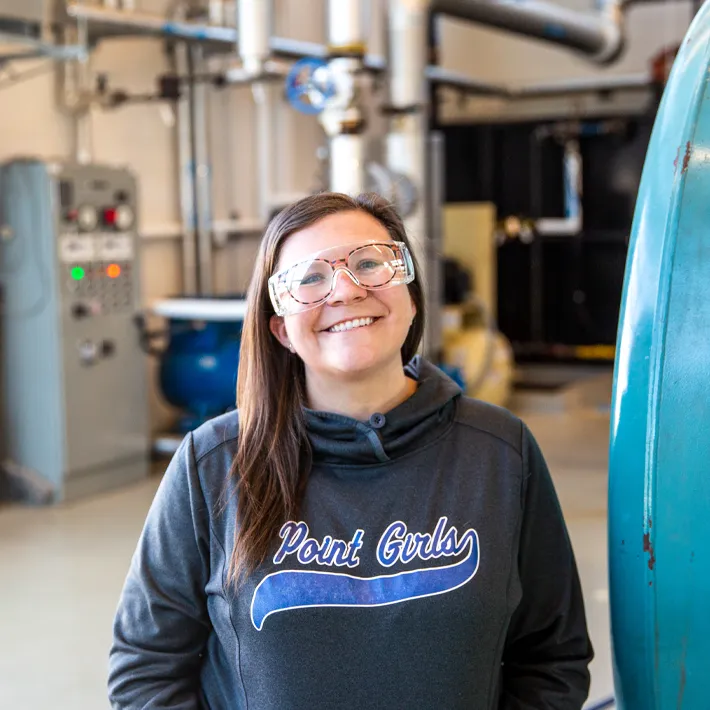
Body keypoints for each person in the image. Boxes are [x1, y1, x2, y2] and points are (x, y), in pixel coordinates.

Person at [108, 192, 593, 709]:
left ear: (410, 298)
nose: (345, 289)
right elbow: (146, 669)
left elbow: (551, 658)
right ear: (281, 329)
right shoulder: (213, 464)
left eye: (369, 263)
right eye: (310, 278)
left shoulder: (501, 452)